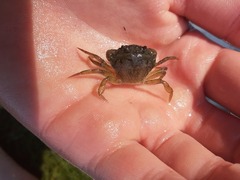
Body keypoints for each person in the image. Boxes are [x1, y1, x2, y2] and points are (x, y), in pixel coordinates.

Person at [0, 0, 240, 179]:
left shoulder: (110, 69)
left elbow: (95, 63)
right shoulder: (154, 70)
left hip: (116, 76)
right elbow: (163, 69)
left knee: (95, 68)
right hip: (144, 77)